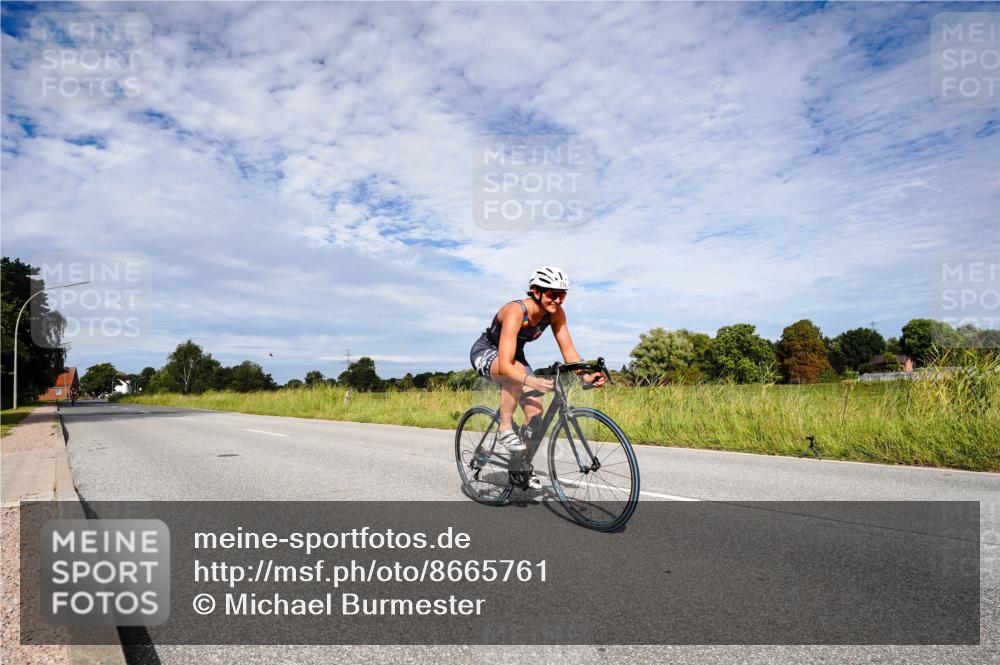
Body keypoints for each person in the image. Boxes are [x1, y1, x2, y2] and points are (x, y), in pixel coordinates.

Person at [469, 266, 606, 489]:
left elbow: (569, 350)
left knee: (535, 415)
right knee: (514, 376)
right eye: (552, 294)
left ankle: (519, 464)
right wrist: (530, 380)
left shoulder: (556, 314)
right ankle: (504, 428)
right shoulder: (516, 311)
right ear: (536, 291)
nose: (558, 300)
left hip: (515, 355)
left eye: (563, 295)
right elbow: (505, 364)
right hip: (488, 351)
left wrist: (585, 376)